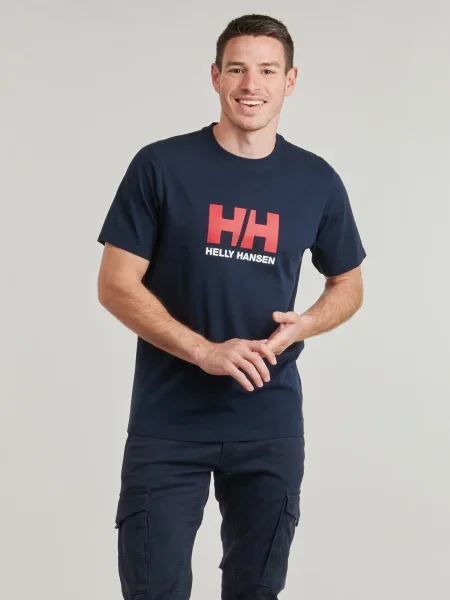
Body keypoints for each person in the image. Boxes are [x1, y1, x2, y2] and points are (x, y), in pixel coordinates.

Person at [97, 13, 366, 600]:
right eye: (238, 69)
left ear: (290, 81)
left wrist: (306, 324)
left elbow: (348, 282)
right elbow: (115, 284)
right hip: (168, 425)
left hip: (268, 423)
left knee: (256, 590)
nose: (252, 84)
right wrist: (204, 351)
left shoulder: (316, 180)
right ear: (216, 76)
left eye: (267, 70)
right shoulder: (161, 166)